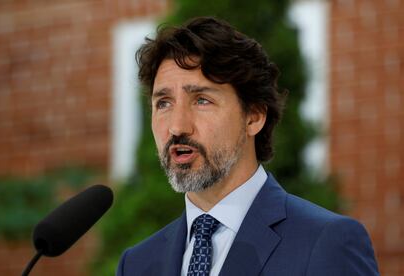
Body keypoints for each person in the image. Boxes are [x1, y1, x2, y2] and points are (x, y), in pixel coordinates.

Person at [117, 16, 379, 276]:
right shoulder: (136, 264)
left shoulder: (327, 243)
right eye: (163, 103)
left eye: (202, 100)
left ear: (253, 116)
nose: (176, 127)